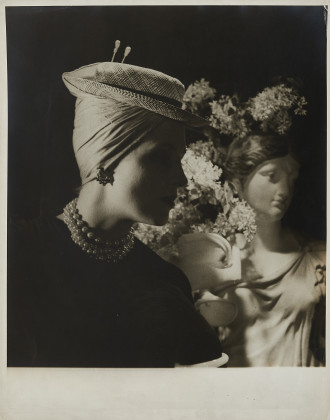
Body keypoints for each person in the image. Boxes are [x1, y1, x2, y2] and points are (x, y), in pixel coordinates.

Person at [7, 59, 223, 367]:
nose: (182, 179)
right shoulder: (17, 253)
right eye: (162, 158)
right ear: (104, 159)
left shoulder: (165, 281)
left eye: (180, 160)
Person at [214, 132, 326, 367]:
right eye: (271, 176)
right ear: (237, 186)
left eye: (291, 178)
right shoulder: (215, 259)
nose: (285, 190)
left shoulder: (317, 257)